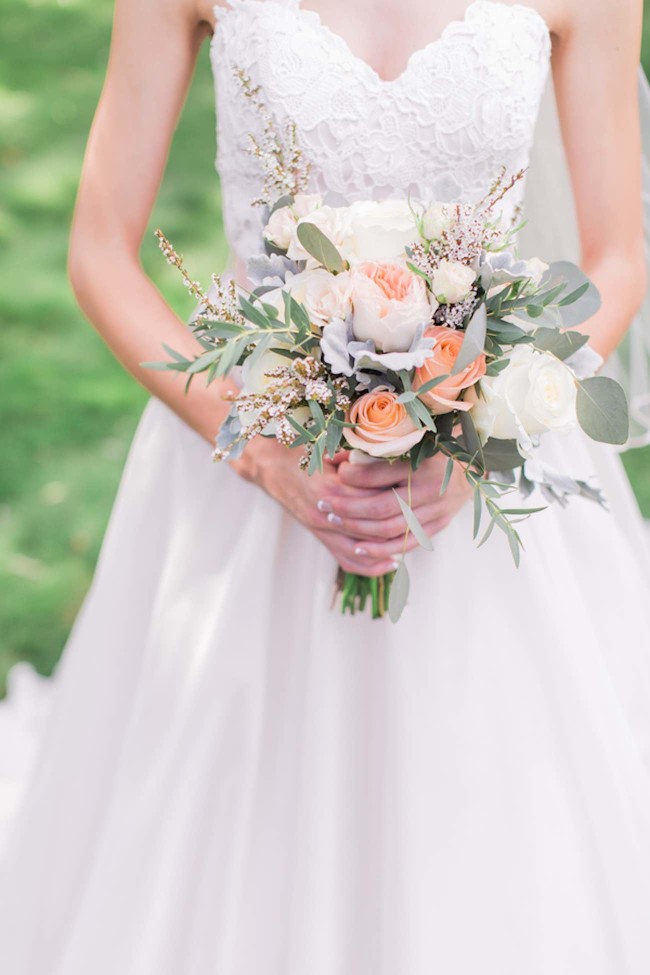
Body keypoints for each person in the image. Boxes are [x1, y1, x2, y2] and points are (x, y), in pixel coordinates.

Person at [2, 0, 650, 971]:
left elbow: (618, 254)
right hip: (250, 457)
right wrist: (260, 450)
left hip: (486, 477)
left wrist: (483, 424)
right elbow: (99, 250)